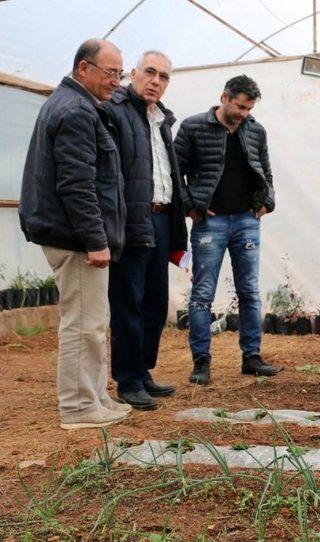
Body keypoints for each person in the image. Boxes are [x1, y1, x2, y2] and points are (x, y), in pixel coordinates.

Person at [19, 39, 129, 429]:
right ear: (84, 68)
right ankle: (79, 407)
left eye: (120, 73)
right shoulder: (77, 111)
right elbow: (77, 184)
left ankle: (95, 395)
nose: (117, 81)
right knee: (83, 323)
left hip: (72, 234)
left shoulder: (76, 105)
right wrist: (95, 240)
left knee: (93, 321)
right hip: (75, 237)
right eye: (110, 72)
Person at [174, 75, 279, 385]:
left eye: (249, 108)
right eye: (240, 106)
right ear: (224, 97)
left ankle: (252, 357)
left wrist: (267, 203)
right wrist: (191, 205)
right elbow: (174, 171)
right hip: (210, 222)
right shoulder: (193, 127)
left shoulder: (256, 130)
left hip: (247, 220)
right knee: (202, 293)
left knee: (249, 291)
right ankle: (201, 362)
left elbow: (267, 173)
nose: (244, 113)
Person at [103, 51, 188, 410]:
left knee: (155, 302)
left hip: (161, 218)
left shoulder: (162, 120)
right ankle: (128, 379)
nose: (156, 80)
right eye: (150, 72)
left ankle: (143, 370)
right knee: (128, 302)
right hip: (131, 220)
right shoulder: (114, 112)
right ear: (132, 74)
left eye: (164, 76)